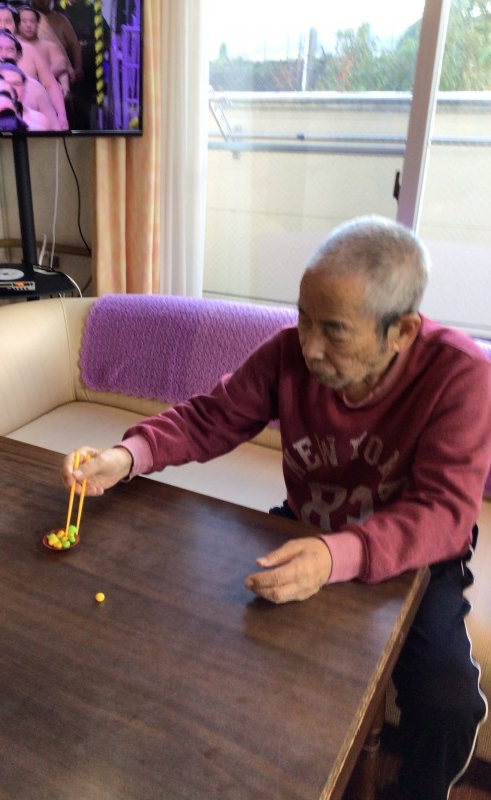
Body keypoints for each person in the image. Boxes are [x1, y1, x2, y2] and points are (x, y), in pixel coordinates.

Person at [61, 216, 491, 800]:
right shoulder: (290, 352)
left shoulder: (460, 375)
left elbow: (442, 514)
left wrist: (335, 555)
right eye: (303, 317)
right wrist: (126, 456)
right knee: (227, 652)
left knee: (447, 701)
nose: (309, 346)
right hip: (306, 527)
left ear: (403, 331)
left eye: (334, 331)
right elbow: (211, 418)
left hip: (415, 561)